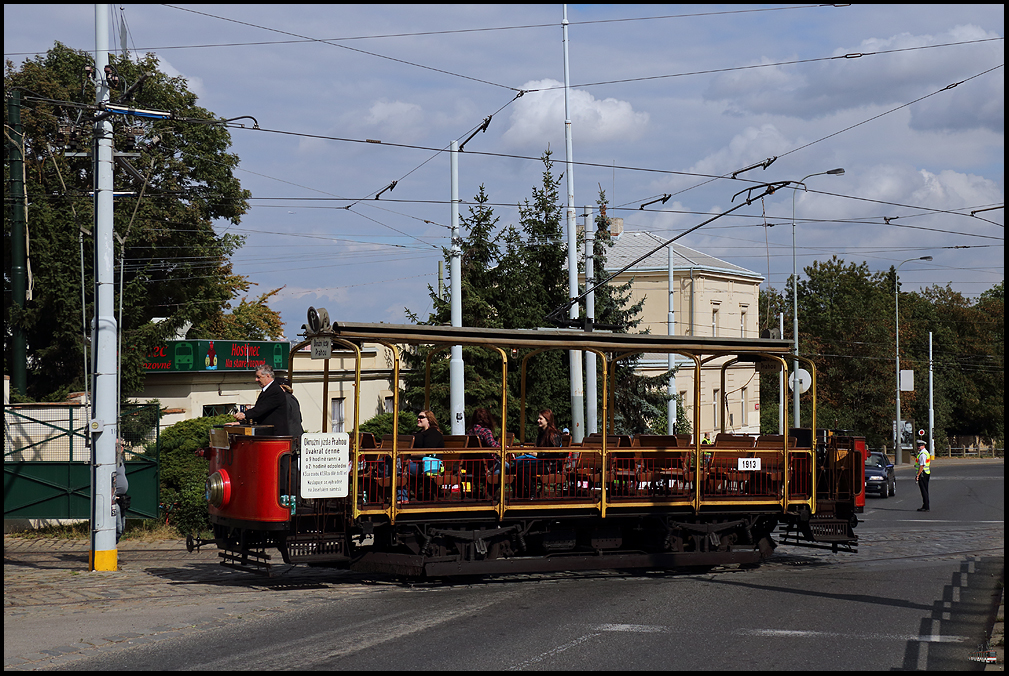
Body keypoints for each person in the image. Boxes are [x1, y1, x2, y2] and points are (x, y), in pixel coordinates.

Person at [515, 409, 566, 498]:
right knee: (515, 468)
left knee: (522, 470)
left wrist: (537, 455)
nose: (538, 421)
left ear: (547, 420)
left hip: (550, 465)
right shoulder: (541, 433)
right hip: (542, 462)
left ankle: (532, 493)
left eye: (540, 419)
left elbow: (556, 453)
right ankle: (521, 493)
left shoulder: (553, 434)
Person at [232, 365, 289, 436]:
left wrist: (244, 415)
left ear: (268, 376)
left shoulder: (275, 391)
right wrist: (240, 423)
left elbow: (261, 409)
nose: (256, 380)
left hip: (274, 435)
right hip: (266, 434)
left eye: (258, 377)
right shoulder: (267, 390)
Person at [114, 440, 130, 543]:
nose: (121, 447)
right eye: (118, 445)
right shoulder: (109, 460)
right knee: (118, 528)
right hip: (113, 498)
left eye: (122, 445)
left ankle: (113, 548)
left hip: (122, 498)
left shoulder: (120, 459)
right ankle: (110, 547)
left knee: (122, 526)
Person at [915, 439, 931, 512]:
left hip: (923, 474)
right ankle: (925, 505)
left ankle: (926, 506)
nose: (918, 447)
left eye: (920, 445)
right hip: (926, 473)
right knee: (925, 490)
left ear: (923, 446)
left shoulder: (923, 454)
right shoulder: (924, 452)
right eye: (918, 445)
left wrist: (918, 475)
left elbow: (922, 465)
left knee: (923, 490)